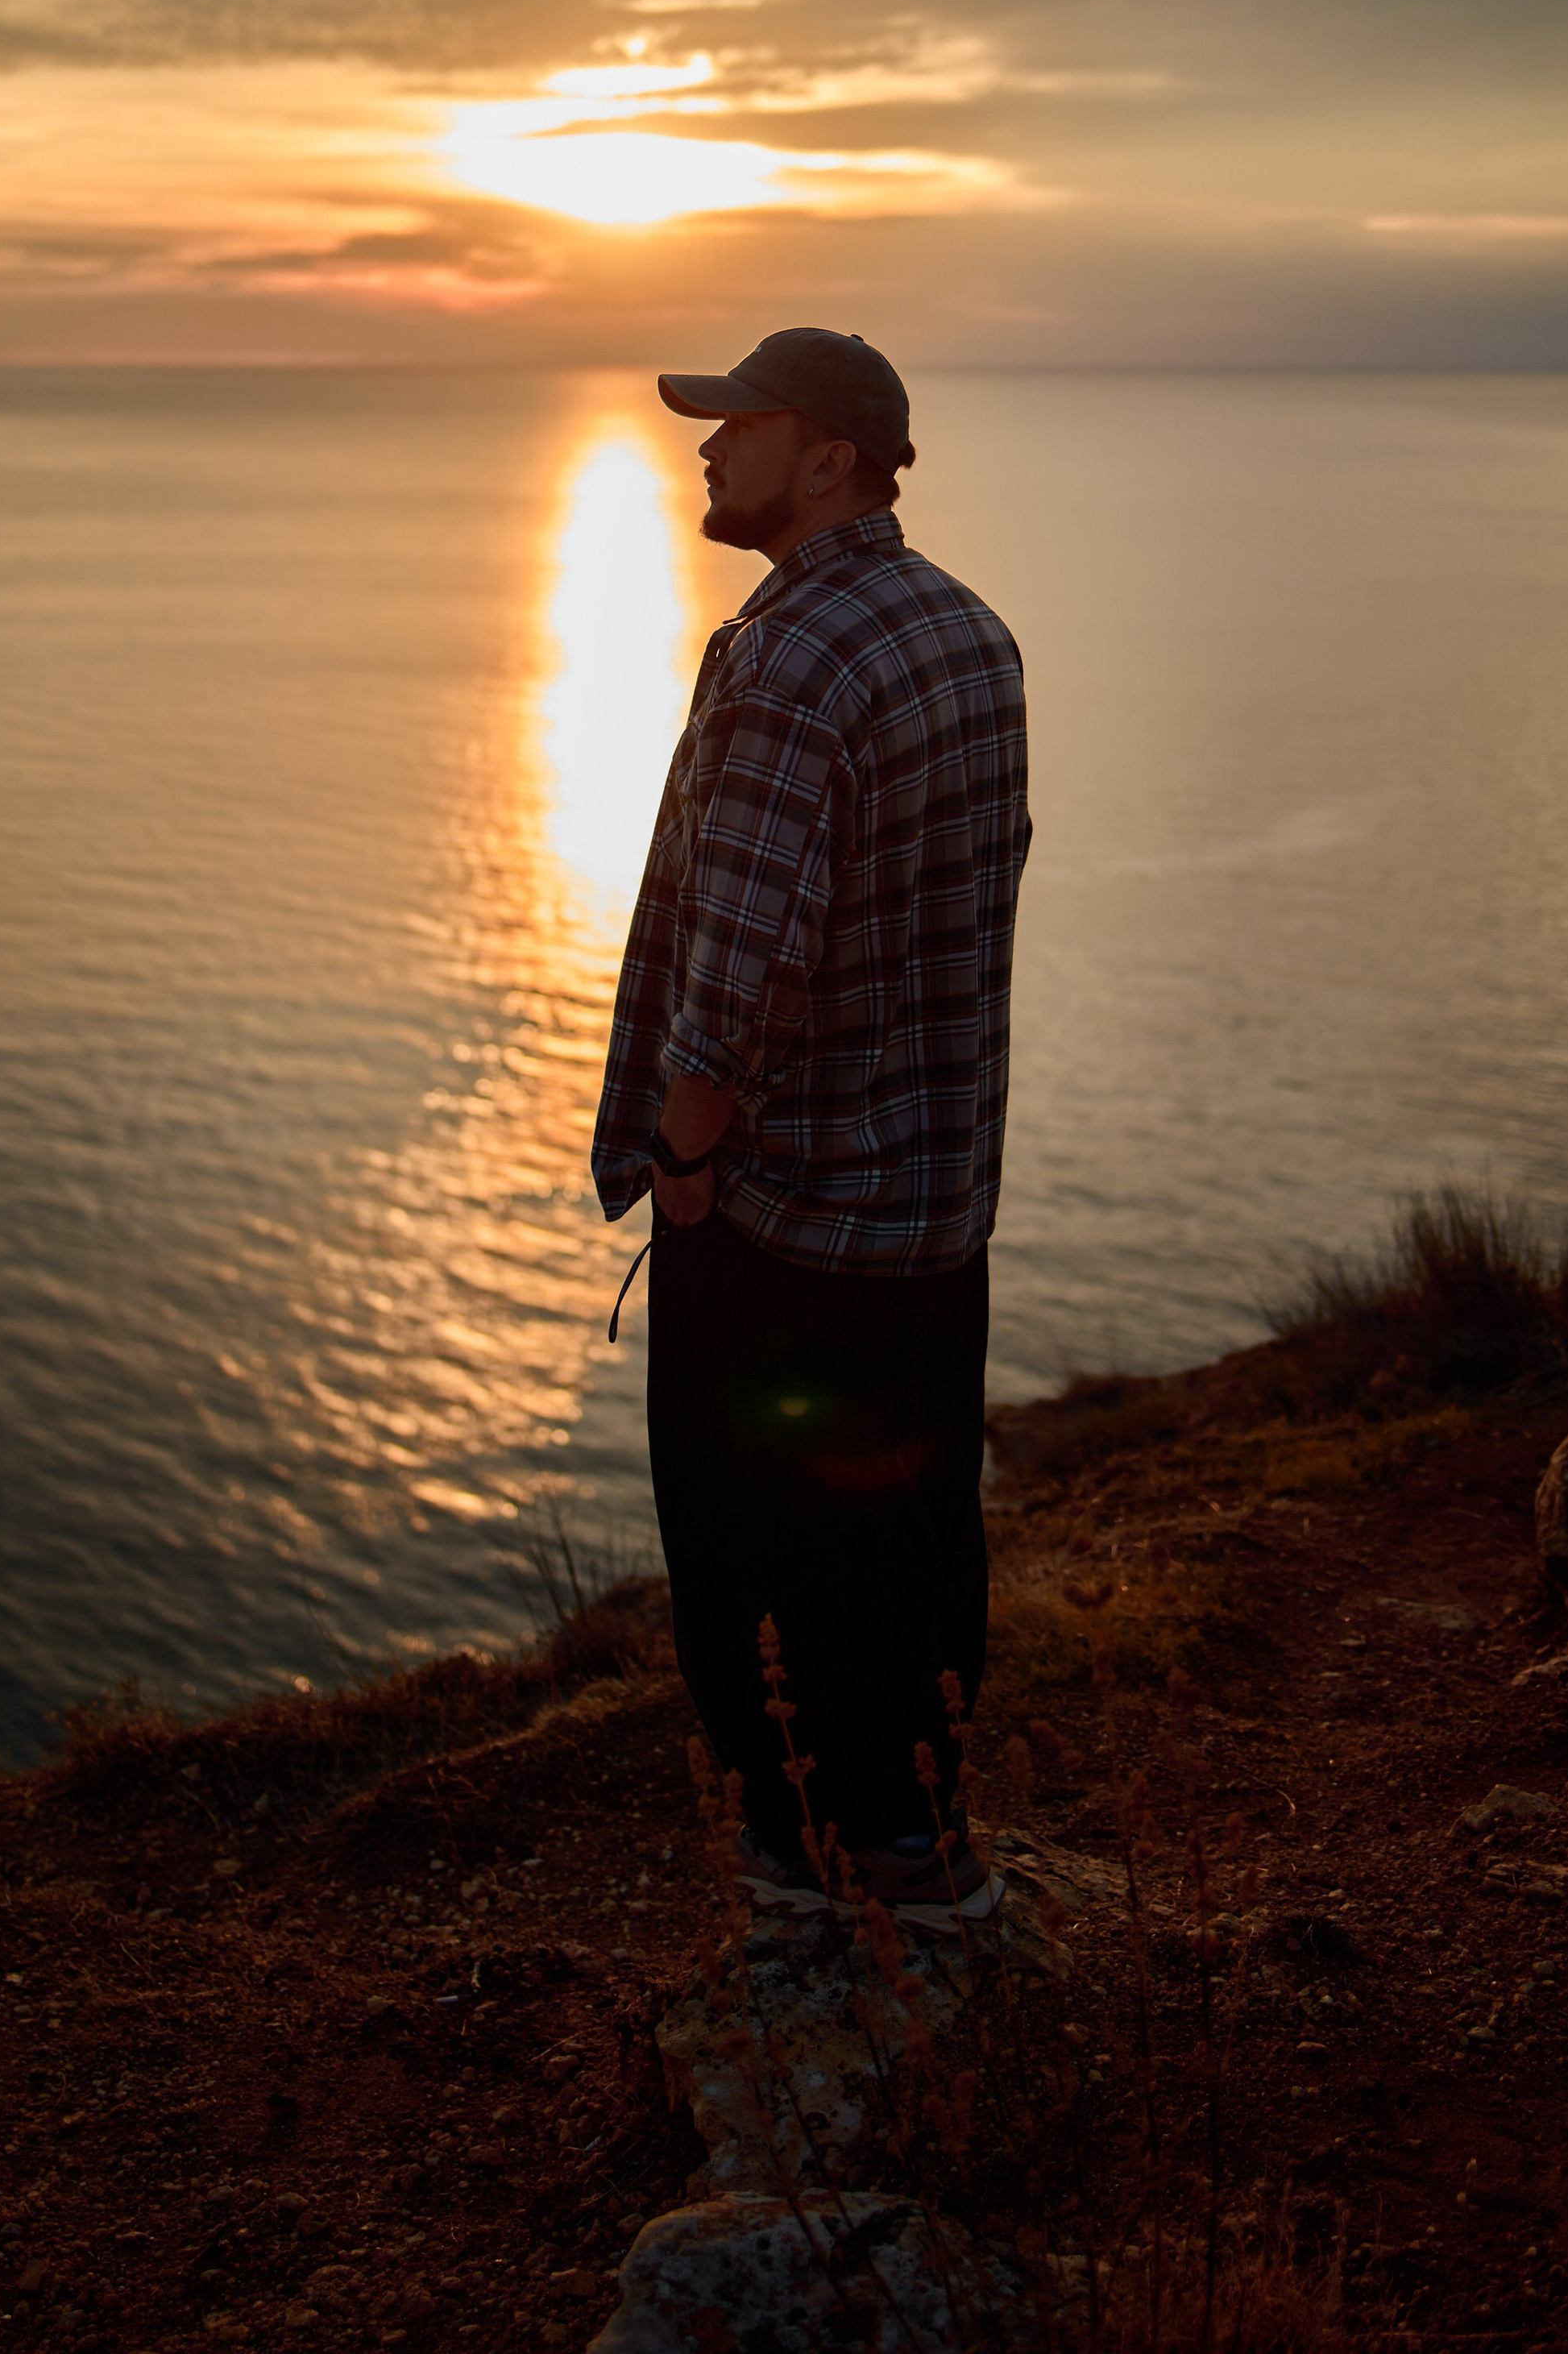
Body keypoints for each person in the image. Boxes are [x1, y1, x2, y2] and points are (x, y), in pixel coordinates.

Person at [591, 327, 1031, 1933]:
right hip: (929, 1201)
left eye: (739, 426)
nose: (708, 452)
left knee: (750, 1556)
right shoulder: (964, 635)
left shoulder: (788, 661)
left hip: (783, 1214)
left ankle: (805, 1884)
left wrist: (687, 1164)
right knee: (912, 1535)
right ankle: (920, 1844)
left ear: (829, 453)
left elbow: (747, 964)